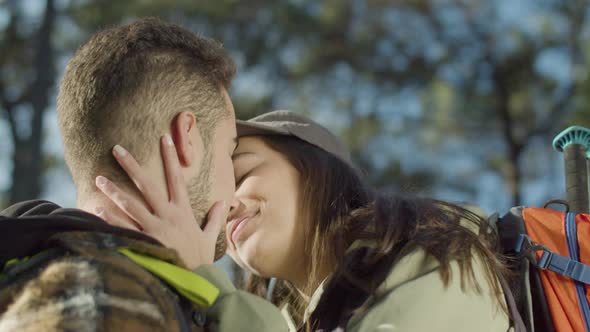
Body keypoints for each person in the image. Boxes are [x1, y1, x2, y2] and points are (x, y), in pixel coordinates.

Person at [97, 110, 524, 331]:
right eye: (214, 203)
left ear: (312, 167)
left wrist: (206, 284)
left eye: (242, 174)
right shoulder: (288, 319)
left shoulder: (437, 248)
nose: (224, 208)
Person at [0, 18, 287, 331]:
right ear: (186, 139)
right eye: (228, 152)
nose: (233, 199)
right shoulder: (110, 298)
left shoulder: (26, 263)